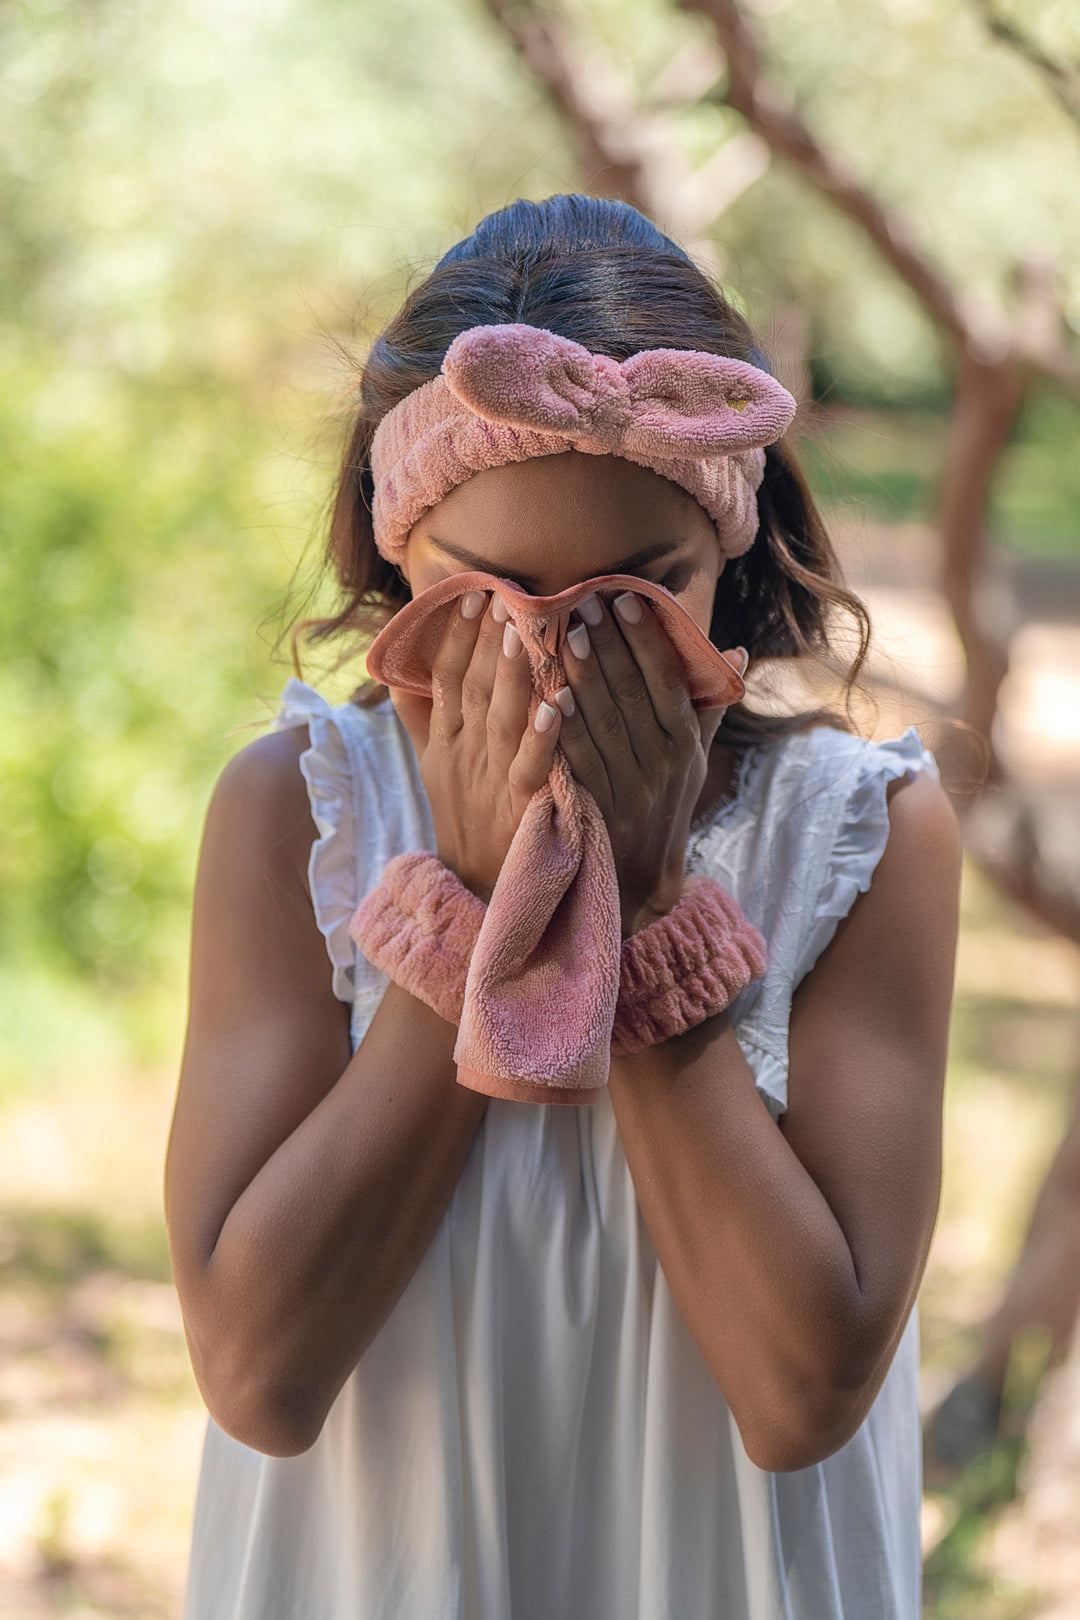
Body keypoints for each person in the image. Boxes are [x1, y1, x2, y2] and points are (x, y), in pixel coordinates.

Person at [165, 193, 962, 1619]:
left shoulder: (861, 840)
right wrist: (471, 907)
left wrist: (648, 912)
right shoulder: (301, 817)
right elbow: (257, 1376)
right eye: (494, 596)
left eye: (639, 594)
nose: (564, 660)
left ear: (726, 562)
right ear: (398, 553)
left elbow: (802, 1395)